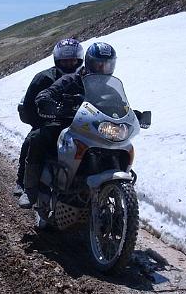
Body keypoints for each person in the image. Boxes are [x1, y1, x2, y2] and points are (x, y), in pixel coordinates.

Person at [18, 42, 117, 209]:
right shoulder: (71, 79)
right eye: (98, 64)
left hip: (91, 126)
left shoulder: (108, 87)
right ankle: (30, 189)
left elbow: (119, 104)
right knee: (36, 138)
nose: (102, 68)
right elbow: (47, 93)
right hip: (62, 123)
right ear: (89, 63)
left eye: (106, 65)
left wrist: (132, 114)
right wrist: (49, 105)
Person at [14, 38, 84, 197]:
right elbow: (29, 107)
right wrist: (44, 117)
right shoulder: (44, 78)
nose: (68, 64)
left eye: (72, 60)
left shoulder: (85, 78)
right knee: (35, 138)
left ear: (79, 60)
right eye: (64, 61)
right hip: (50, 123)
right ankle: (26, 186)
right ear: (57, 60)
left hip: (82, 124)